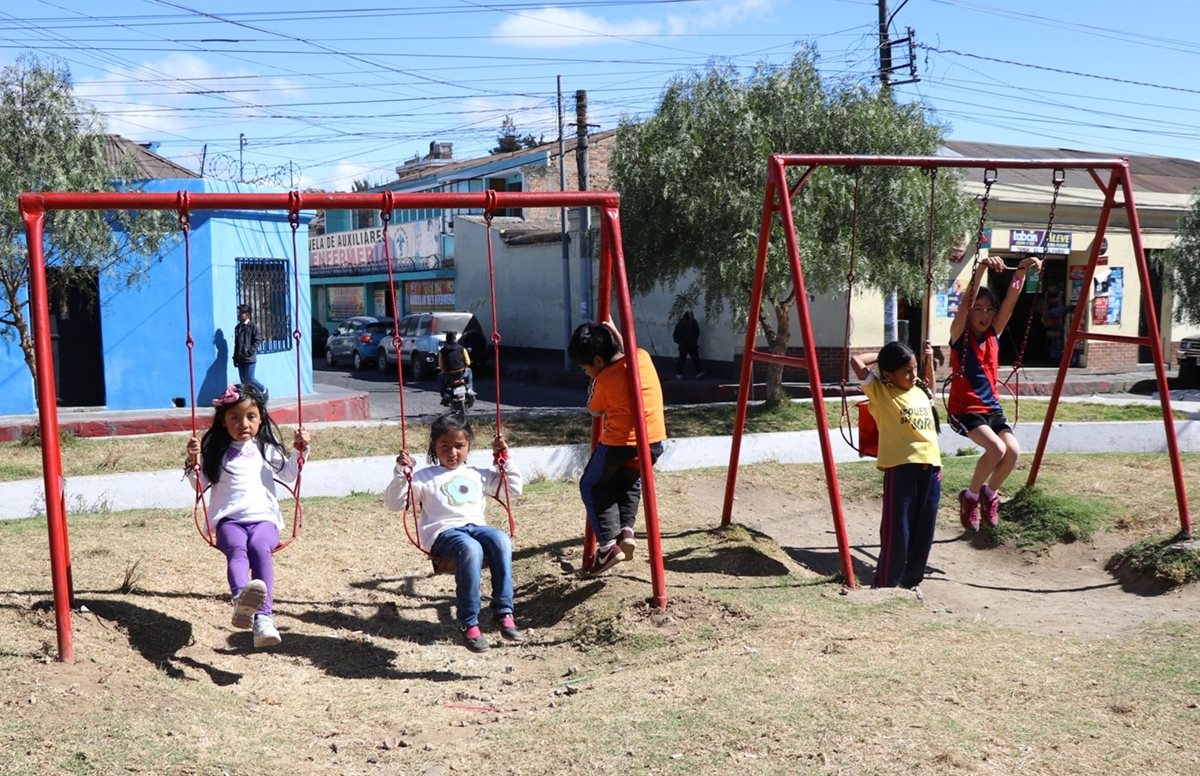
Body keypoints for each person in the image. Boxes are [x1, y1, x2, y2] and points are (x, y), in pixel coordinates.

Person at [384, 412, 523, 653]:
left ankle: (503, 612)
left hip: (476, 527)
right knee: (470, 548)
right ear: (434, 447)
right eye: (445, 446)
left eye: (459, 446)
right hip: (444, 534)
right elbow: (395, 504)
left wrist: (504, 460)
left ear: (468, 446)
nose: (452, 452)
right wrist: (400, 472)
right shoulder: (423, 478)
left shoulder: (477, 474)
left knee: (501, 539)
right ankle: (468, 622)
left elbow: (513, 490)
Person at [184, 383, 310, 649]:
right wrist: (192, 461)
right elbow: (200, 484)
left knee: (258, 548)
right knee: (237, 551)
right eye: (235, 418)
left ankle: (263, 618)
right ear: (223, 422)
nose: (244, 423)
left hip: (264, 517)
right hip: (229, 520)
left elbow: (288, 474)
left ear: (260, 418)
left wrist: (300, 450)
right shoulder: (216, 452)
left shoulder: (265, 448)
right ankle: (241, 600)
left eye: (250, 417)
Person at [948, 254, 1042, 532]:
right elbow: (965, 303)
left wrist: (1021, 273)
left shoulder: (993, 333)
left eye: (990, 310)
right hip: (965, 409)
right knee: (996, 448)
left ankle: (989, 494)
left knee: (1012, 451)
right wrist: (980, 269)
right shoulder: (959, 336)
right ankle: (971, 496)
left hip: (991, 408)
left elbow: (1009, 306)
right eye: (979, 309)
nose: (985, 315)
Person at [567, 319, 667, 574]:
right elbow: (627, 351)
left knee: (592, 484)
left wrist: (595, 383)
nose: (586, 373)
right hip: (653, 443)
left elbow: (594, 410)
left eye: (585, 368)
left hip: (619, 445)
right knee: (629, 481)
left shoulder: (604, 380)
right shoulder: (642, 358)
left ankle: (608, 547)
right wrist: (614, 331)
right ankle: (626, 531)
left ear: (598, 361)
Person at [850, 341, 942, 593]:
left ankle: (911, 583)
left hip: (932, 469)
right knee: (897, 531)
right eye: (906, 371)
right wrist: (882, 357)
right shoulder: (881, 392)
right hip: (901, 469)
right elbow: (856, 362)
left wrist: (928, 360)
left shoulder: (920, 391)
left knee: (924, 531)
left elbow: (931, 391)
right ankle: (885, 585)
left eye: (914, 369)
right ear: (889, 374)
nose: (913, 375)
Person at [232, 303, 267, 398]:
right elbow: (236, 344)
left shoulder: (253, 327)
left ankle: (263, 389)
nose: (239, 315)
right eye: (239, 313)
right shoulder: (237, 327)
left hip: (249, 358)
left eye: (241, 313)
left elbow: (258, 340)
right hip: (240, 358)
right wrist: (235, 358)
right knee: (243, 380)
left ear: (247, 314)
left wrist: (250, 351)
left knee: (250, 378)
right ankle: (249, 397)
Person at [436, 330, 475, 404]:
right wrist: (463, 367)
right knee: (469, 370)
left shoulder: (442, 351)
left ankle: (444, 394)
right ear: (455, 339)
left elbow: (441, 366)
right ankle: (470, 388)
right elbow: (468, 362)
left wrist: (447, 370)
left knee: (440, 375)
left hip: (449, 375)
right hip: (461, 373)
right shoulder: (462, 348)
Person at [1041, 287, 1073, 365]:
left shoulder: (1050, 310)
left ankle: (1054, 359)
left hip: (1054, 328)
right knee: (1055, 344)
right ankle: (1055, 359)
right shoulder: (1051, 311)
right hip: (1054, 328)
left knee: (1054, 344)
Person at [672, 310, 704, 379]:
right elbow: (675, 335)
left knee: (695, 359)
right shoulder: (680, 324)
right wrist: (680, 342)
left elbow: (697, 332)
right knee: (682, 360)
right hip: (684, 345)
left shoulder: (693, 323)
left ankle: (698, 373)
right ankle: (679, 373)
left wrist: (694, 339)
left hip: (691, 345)